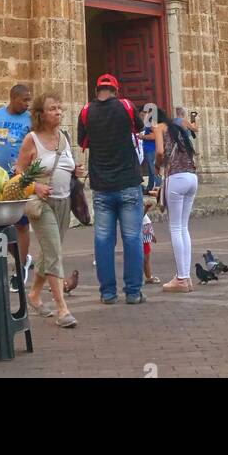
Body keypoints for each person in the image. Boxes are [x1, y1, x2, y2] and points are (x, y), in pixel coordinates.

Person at [77, 73, 144, 305]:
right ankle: (134, 292)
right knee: (132, 238)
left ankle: (107, 293)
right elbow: (139, 127)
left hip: (101, 186)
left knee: (103, 240)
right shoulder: (126, 106)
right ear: (116, 90)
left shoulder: (86, 111)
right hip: (128, 183)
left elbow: (82, 141)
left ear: (97, 90)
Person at [16, 93, 80, 328]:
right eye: (53, 109)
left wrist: (76, 172)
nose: (59, 112)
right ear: (41, 115)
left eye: (60, 108)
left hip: (64, 202)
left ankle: (33, 294)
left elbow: (66, 165)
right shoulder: (31, 140)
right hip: (40, 205)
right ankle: (62, 309)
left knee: (49, 251)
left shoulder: (63, 137)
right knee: (54, 252)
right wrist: (36, 186)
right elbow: (18, 174)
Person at [0, 84, 34, 284]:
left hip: (20, 180)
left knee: (21, 224)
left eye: (30, 100)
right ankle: (20, 257)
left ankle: (19, 270)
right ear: (13, 98)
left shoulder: (30, 120)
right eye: (25, 100)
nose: (28, 104)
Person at [156, 116, 198, 292]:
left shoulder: (159, 127)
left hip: (176, 178)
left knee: (175, 228)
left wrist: (157, 165)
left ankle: (181, 278)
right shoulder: (179, 130)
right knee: (183, 227)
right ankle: (185, 276)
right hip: (192, 178)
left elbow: (159, 153)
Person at [142, 197, 160, 286]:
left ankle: (148, 276)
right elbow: (139, 216)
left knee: (146, 257)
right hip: (143, 232)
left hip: (145, 231)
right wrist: (145, 208)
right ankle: (148, 277)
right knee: (146, 258)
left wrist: (152, 235)